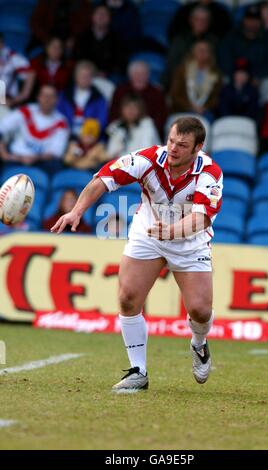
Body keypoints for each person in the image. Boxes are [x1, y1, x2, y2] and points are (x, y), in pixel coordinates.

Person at [51, 117, 223, 391]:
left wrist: (172, 231)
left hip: (189, 239)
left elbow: (202, 219)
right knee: (128, 297)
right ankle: (138, 371)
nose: (173, 149)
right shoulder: (148, 159)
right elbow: (103, 178)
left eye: (183, 145)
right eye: (171, 141)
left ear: (198, 148)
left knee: (200, 311)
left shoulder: (210, 173)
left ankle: (199, 344)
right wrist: (76, 211)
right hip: (149, 231)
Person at [0, 84, 69, 175]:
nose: (47, 99)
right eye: (44, 95)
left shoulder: (61, 122)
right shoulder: (25, 111)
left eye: (51, 96)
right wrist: (4, 154)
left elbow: (56, 152)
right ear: (38, 97)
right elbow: (2, 128)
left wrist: (35, 158)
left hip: (43, 163)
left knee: (56, 166)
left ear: (57, 99)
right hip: (15, 159)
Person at [106, 94, 160, 159]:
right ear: (122, 109)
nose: (130, 110)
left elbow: (145, 154)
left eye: (135, 107)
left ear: (140, 109)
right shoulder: (117, 126)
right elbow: (111, 152)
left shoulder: (147, 125)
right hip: (122, 165)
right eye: (127, 106)